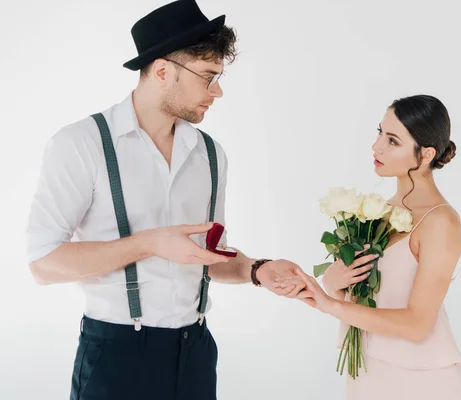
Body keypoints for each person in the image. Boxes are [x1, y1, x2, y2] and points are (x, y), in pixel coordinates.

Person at [25, 1, 305, 399]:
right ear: (162, 71)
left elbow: (210, 258)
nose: (218, 92)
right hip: (116, 355)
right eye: (208, 77)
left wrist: (257, 270)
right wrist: (150, 243)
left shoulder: (210, 154)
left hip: (195, 353)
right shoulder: (81, 145)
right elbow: (43, 263)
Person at [282, 95, 461, 399]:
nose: (377, 147)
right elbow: (367, 296)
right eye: (379, 133)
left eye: (393, 140)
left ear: (425, 154)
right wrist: (335, 281)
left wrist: (331, 305)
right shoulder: (378, 211)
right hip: (368, 374)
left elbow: (417, 324)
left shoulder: (440, 221)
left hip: (421, 382)